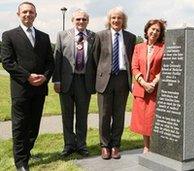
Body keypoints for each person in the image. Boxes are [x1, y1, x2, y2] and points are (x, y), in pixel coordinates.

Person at [1, 2, 54, 170]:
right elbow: (7, 62)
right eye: (24, 12)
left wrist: (45, 77)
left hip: (39, 88)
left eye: (31, 12)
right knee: (20, 125)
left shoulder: (44, 37)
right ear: (18, 14)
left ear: (35, 15)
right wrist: (27, 76)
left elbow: (50, 62)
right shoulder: (9, 35)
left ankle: (27, 151)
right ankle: (21, 162)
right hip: (21, 88)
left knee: (34, 125)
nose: (28, 15)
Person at [93, 6, 136, 159]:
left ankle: (116, 145)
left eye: (119, 18)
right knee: (104, 114)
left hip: (123, 79)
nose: (116, 20)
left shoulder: (131, 37)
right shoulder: (100, 35)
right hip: (105, 79)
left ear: (123, 21)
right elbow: (95, 58)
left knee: (119, 114)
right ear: (109, 20)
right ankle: (105, 146)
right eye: (113, 18)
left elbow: (132, 60)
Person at [52, 9, 96, 157]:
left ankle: (81, 145)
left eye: (84, 19)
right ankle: (69, 145)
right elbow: (57, 59)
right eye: (78, 19)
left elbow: (96, 61)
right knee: (67, 115)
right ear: (72, 21)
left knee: (82, 116)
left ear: (87, 21)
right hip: (66, 82)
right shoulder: (62, 35)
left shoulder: (93, 37)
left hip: (85, 82)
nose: (81, 22)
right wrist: (56, 80)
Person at [130, 19, 166, 154]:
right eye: (152, 29)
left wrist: (153, 83)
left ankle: (157, 147)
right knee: (143, 120)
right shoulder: (138, 47)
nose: (155, 32)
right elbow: (134, 67)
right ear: (147, 30)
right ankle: (146, 146)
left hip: (155, 89)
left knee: (153, 119)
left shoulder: (163, 47)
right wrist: (144, 83)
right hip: (141, 89)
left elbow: (165, 68)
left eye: (158, 30)